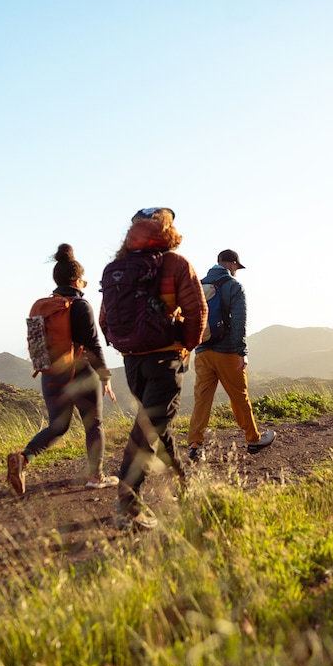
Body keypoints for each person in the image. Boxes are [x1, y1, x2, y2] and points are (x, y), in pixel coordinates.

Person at [99, 207, 206, 531]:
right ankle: (127, 505)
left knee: (159, 424)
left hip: (132, 361)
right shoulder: (175, 263)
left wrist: (123, 345)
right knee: (149, 428)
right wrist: (186, 346)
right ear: (167, 231)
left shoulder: (116, 268)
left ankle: (186, 483)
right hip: (165, 358)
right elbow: (197, 310)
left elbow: (105, 318)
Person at [7, 244, 117, 495]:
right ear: (78, 281)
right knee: (94, 424)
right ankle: (95, 475)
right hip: (80, 372)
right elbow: (92, 345)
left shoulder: (43, 306)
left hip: (51, 374)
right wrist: (105, 376)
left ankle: (24, 459)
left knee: (58, 425)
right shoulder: (81, 306)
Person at [186, 249, 275, 461]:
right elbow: (239, 322)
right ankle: (253, 439)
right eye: (237, 267)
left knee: (202, 400)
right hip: (226, 353)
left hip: (203, 352)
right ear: (233, 264)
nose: (237, 271)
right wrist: (241, 351)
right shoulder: (234, 286)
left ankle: (195, 445)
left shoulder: (198, 285)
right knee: (239, 396)